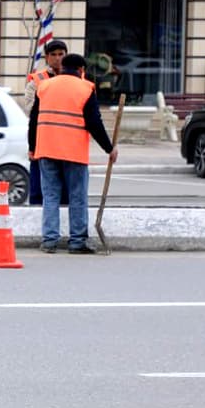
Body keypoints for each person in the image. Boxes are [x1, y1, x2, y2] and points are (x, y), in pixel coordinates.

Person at [28, 53, 118, 254]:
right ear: (81, 70)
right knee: (77, 196)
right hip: (73, 151)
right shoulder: (86, 88)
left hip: (46, 148)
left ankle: (49, 241)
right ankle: (77, 241)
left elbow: (33, 120)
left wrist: (32, 147)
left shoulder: (44, 87)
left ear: (62, 67)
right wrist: (109, 148)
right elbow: (94, 123)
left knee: (50, 195)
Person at [24, 39, 67, 205]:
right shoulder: (36, 80)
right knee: (38, 190)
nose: (57, 58)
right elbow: (30, 109)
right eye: (53, 55)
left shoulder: (75, 78)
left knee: (66, 192)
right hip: (43, 141)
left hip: (66, 143)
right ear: (47, 58)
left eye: (61, 54)